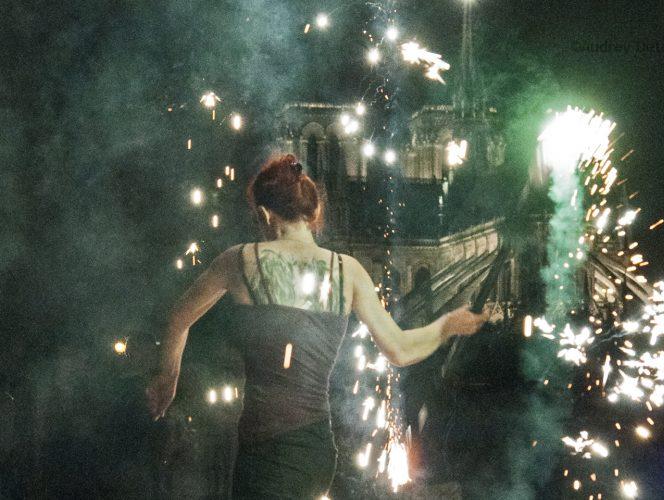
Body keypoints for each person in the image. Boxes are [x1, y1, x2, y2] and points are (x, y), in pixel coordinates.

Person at [146, 154, 487, 499]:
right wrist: (446, 325)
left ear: (265, 214)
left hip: (262, 450)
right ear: (311, 216)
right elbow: (399, 349)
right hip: (316, 450)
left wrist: (167, 378)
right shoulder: (348, 270)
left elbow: (179, 318)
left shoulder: (240, 260)